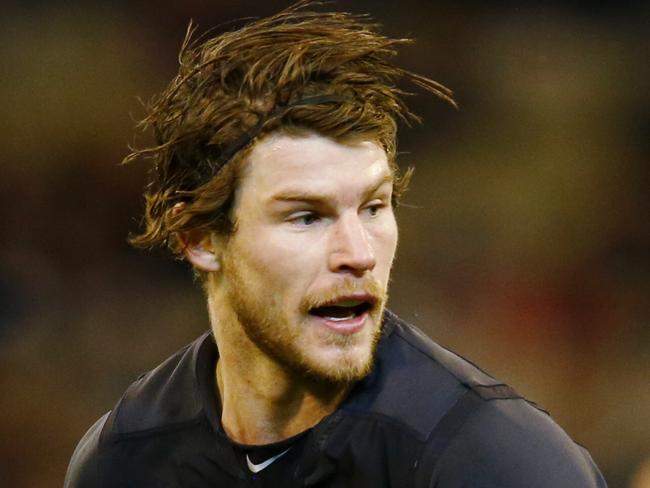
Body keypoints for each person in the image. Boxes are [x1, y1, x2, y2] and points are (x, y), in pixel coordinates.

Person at [65, 2, 607, 486]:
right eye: (306, 217)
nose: (359, 253)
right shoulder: (123, 460)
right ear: (200, 238)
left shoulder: (494, 463)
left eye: (373, 207)